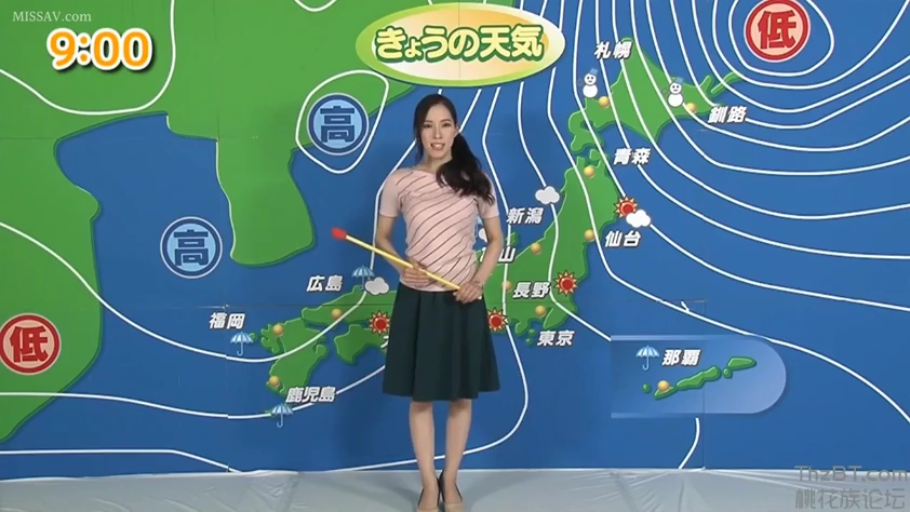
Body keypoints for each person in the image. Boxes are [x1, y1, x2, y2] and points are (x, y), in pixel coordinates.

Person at [375, 93, 504, 512]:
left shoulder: (476, 181)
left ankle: (451, 480)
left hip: (463, 300)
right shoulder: (399, 182)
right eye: (429, 125)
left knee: (462, 397)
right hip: (418, 301)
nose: (437, 134)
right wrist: (401, 266)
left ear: (456, 129)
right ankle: (429, 485)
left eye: (445, 124)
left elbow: (496, 240)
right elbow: (382, 238)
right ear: (418, 131)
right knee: (422, 398)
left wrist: (478, 282)